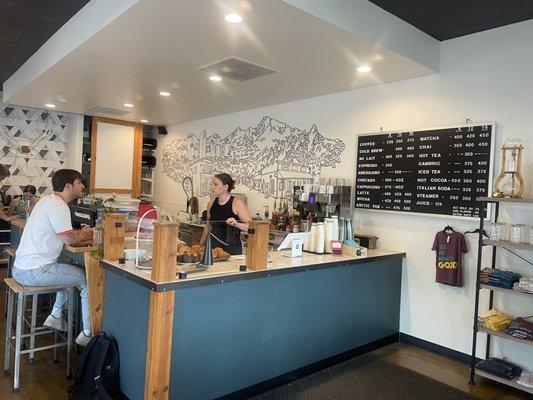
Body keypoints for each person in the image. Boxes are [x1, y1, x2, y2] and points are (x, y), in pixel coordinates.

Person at [12, 169, 94, 346]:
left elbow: (64, 233)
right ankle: (88, 333)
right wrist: (83, 235)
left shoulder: (46, 201)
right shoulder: (59, 206)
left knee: (66, 269)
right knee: (87, 280)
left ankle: (56, 314)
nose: (83, 186)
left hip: (22, 268)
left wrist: (79, 234)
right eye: (80, 183)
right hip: (34, 271)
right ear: (68, 186)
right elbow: (68, 239)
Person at [199, 173, 251, 255]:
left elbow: (250, 227)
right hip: (213, 249)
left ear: (225, 187)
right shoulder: (211, 204)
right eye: (212, 184)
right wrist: (200, 245)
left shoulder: (237, 203)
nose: (212, 187)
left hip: (232, 249)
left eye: (215, 184)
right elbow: (208, 227)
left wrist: (237, 224)